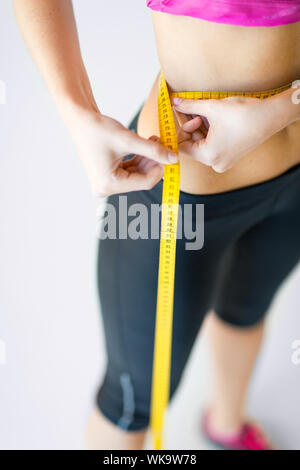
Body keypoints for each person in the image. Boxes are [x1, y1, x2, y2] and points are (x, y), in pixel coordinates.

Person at [14, 0, 300, 450]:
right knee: (129, 404)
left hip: (295, 188)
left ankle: (226, 425)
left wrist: (284, 110)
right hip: (176, 199)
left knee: (247, 311)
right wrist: (76, 111)